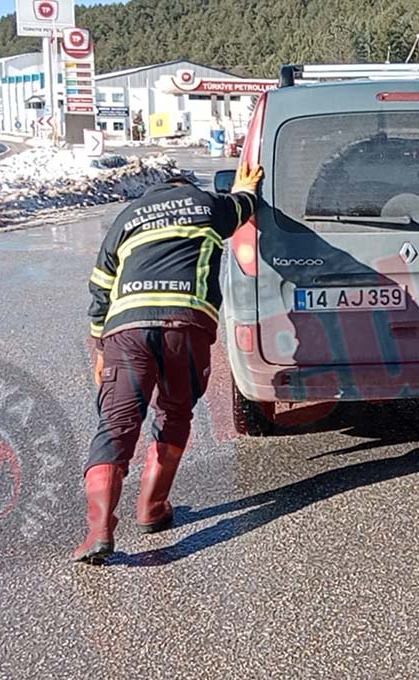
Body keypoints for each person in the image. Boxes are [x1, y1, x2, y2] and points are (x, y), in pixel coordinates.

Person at [73, 165, 264, 564]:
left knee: (116, 424)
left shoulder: (127, 218)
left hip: (127, 329)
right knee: (175, 412)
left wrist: (99, 345)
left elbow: (101, 286)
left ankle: (98, 530)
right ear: (186, 188)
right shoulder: (207, 204)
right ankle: (152, 507)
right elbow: (246, 204)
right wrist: (245, 187)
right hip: (187, 324)